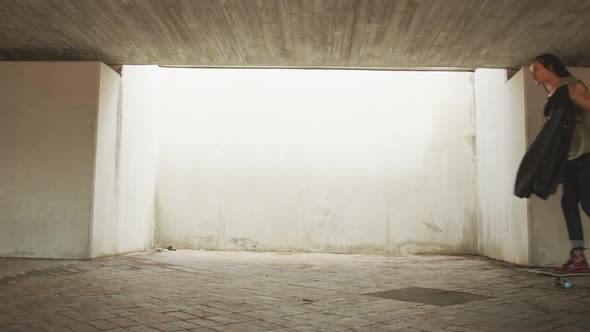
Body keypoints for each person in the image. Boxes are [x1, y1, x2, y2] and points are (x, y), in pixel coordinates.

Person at [529, 54, 590, 272]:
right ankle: (578, 256)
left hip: (585, 154)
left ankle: (578, 256)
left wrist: (574, 97)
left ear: (551, 67)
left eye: (536, 68)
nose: (533, 73)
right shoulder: (551, 93)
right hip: (569, 158)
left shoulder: (571, 85)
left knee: (588, 204)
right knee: (568, 204)